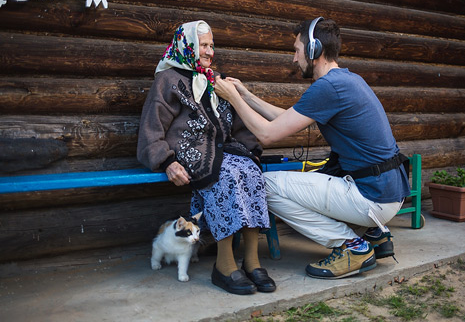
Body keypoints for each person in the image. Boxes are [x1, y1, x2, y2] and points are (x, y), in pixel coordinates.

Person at [214, 17, 411, 279]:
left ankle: (352, 245)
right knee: (305, 181)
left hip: (372, 196)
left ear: (314, 50)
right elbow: (287, 117)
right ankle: (374, 234)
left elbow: (267, 134)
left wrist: (233, 98)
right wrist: (247, 95)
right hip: (387, 190)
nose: (295, 59)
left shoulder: (328, 87)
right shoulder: (346, 80)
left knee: (262, 184)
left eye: (297, 50)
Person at [137, 20, 276, 295]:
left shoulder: (217, 81)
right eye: (203, 45)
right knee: (224, 175)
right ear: (186, 45)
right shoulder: (168, 81)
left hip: (224, 150)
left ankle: (252, 260)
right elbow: (151, 130)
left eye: (212, 45)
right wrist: (167, 162)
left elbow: (238, 123)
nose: (210, 51)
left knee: (249, 171)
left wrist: (253, 152)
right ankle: (224, 266)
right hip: (191, 153)